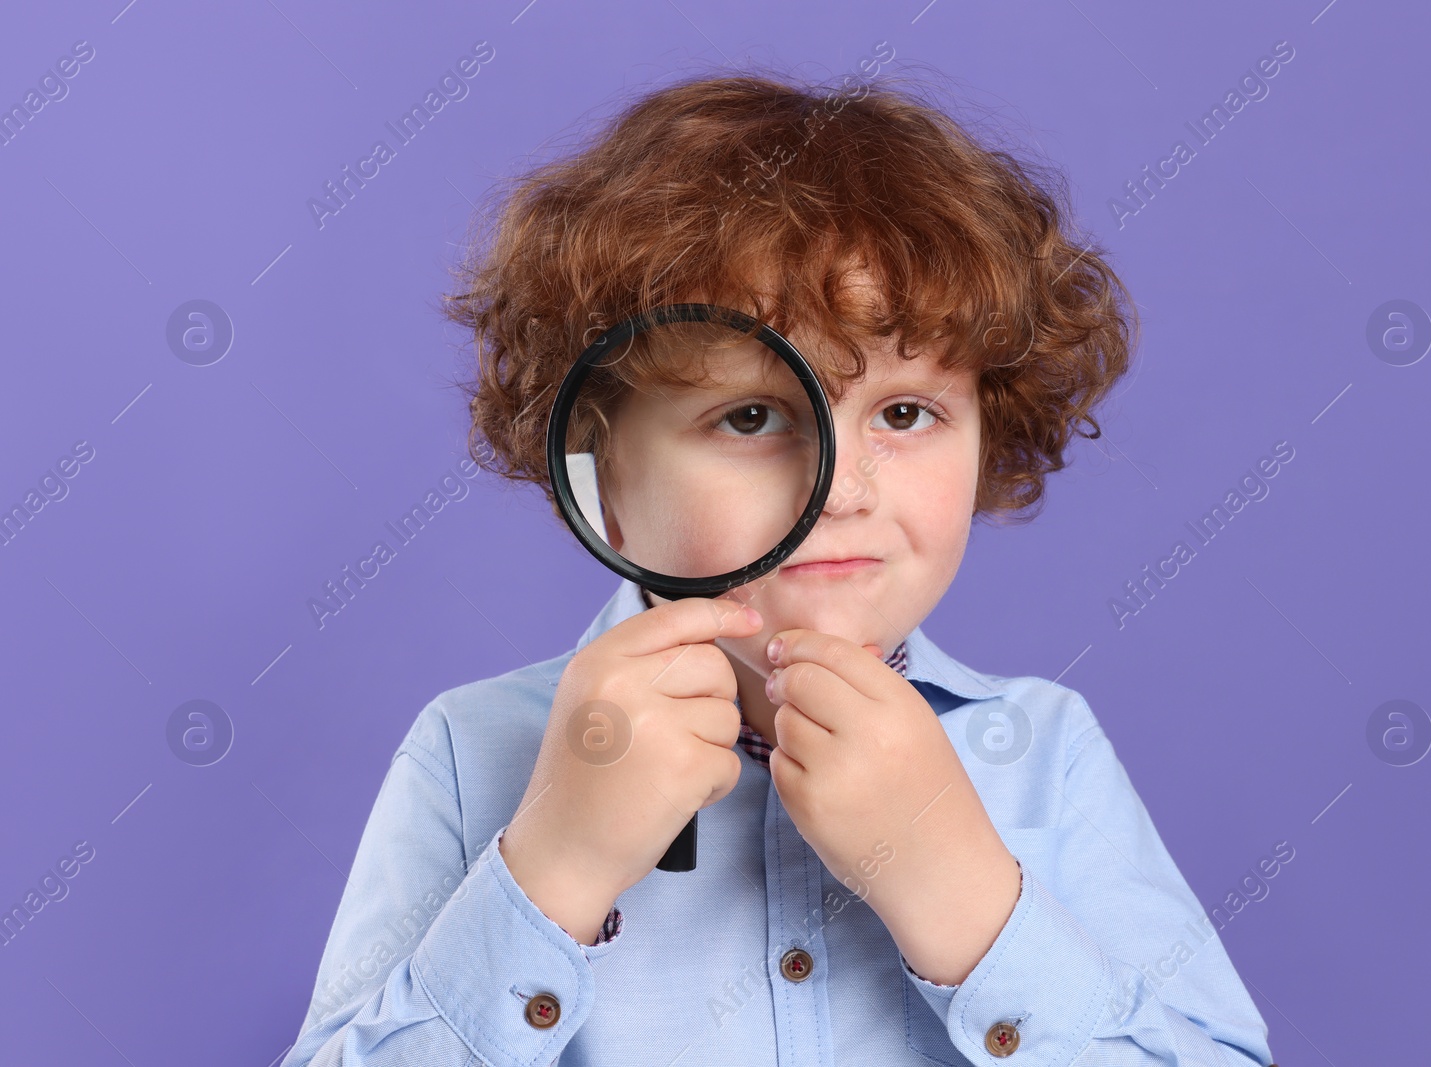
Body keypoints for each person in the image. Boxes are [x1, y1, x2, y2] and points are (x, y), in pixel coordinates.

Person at [283, 68, 1277, 1066]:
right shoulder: (472, 754)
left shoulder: (1044, 755)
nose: (844, 489)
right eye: (751, 416)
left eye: (903, 412)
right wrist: (553, 870)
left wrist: (963, 896)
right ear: (601, 470)